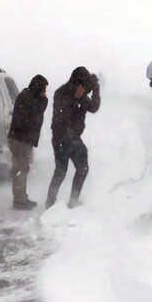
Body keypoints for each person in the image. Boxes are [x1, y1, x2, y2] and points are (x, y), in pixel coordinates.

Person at [46, 66, 100, 209]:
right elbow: (62, 117)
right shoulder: (61, 93)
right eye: (82, 86)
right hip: (60, 138)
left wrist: (96, 89)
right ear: (76, 83)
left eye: (85, 88)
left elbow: (94, 107)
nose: (83, 90)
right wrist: (71, 138)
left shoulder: (81, 96)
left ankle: (73, 201)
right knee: (61, 171)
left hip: (74, 137)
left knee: (83, 168)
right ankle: (50, 204)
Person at [7, 74, 49, 210]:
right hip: (20, 140)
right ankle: (19, 200)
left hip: (21, 139)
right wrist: (43, 101)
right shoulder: (28, 98)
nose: (45, 92)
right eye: (44, 89)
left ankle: (21, 197)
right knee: (20, 169)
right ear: (38, 88)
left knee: (22, 168)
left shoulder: (28, 96)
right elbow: (34, 115)